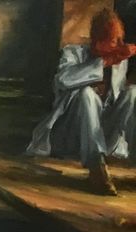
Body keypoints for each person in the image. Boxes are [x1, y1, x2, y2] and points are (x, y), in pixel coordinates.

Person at [27, 9, 136, 196]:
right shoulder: (72, 53)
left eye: (120, 39)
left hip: (102, 136)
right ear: (98, 40)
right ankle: (95, 167)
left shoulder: (120, 64)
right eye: (113, 40)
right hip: (70, 136)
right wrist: (104, 62)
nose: (119, 44)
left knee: (133, 93)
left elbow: (117, 103)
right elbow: (63, 80)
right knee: (86, 93)